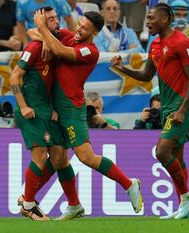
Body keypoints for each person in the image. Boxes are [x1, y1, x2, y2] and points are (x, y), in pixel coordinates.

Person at [32, 9, 143, 216]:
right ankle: (74, 205)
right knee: (58, 157)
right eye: (79, 24)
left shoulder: (90, 51)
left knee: (86, 157)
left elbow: (60, 51)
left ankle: (129, 184)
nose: (78, 29)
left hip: (72, 109)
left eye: (84, 28)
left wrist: (44, 33)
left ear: (94, 34)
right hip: (56, 109)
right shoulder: (68, 35)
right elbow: (33, 34)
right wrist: (44, 36)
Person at [111, 3, 189, 219]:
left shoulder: (181, 41)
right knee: (177, 156)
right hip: (168, 105)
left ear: (165, 19)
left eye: (151, 18)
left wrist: (183, 109)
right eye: (147, 18)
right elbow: (146, 75)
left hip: (182, 104)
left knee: (161, 152)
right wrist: (123, 68)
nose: (147, 22)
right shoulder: (154, 45)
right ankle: (184, 207)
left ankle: (187, 197)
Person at [10, 7, 83, 221]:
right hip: (31, 110)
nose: (56, 22)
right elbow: (14, 78)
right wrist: (23, 106)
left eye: (56, 18)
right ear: (41, 22)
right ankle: (29, 205)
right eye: (49, 19)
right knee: (40, 155)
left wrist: (52, 108)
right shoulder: (34, 47)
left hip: (47, 110)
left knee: (60, 156)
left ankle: (34, 199)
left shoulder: (55, 44)